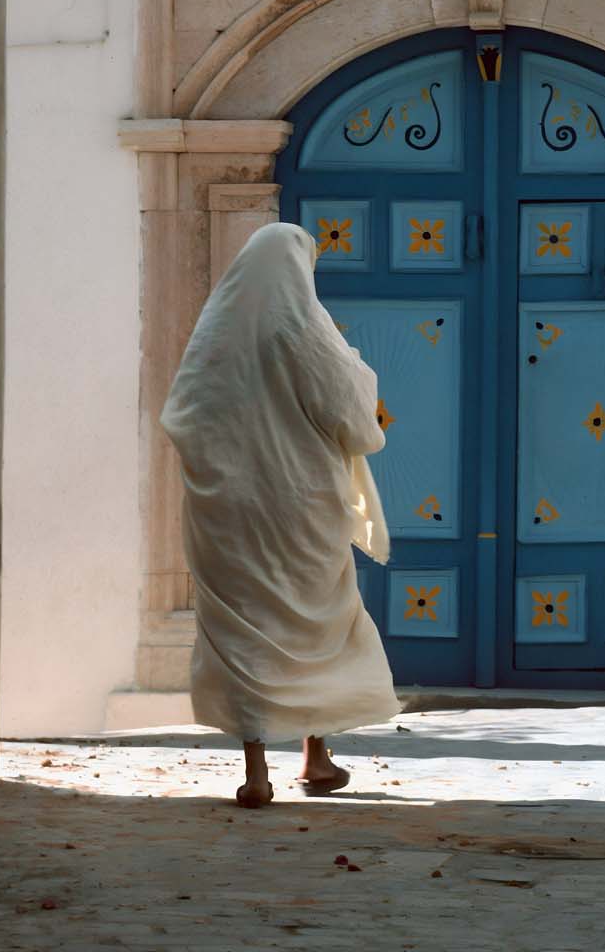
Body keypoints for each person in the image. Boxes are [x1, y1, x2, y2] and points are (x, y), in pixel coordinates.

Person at [162, 220, 398, 807]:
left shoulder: (212, 335)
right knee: (312, 624)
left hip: (228, 516)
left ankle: (258, 771)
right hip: (300, 509)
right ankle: (316, 755)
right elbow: (353, 419)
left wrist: (225, 476)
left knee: (243, 631)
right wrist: (358, 368)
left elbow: (183, 415)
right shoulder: (304, 330)